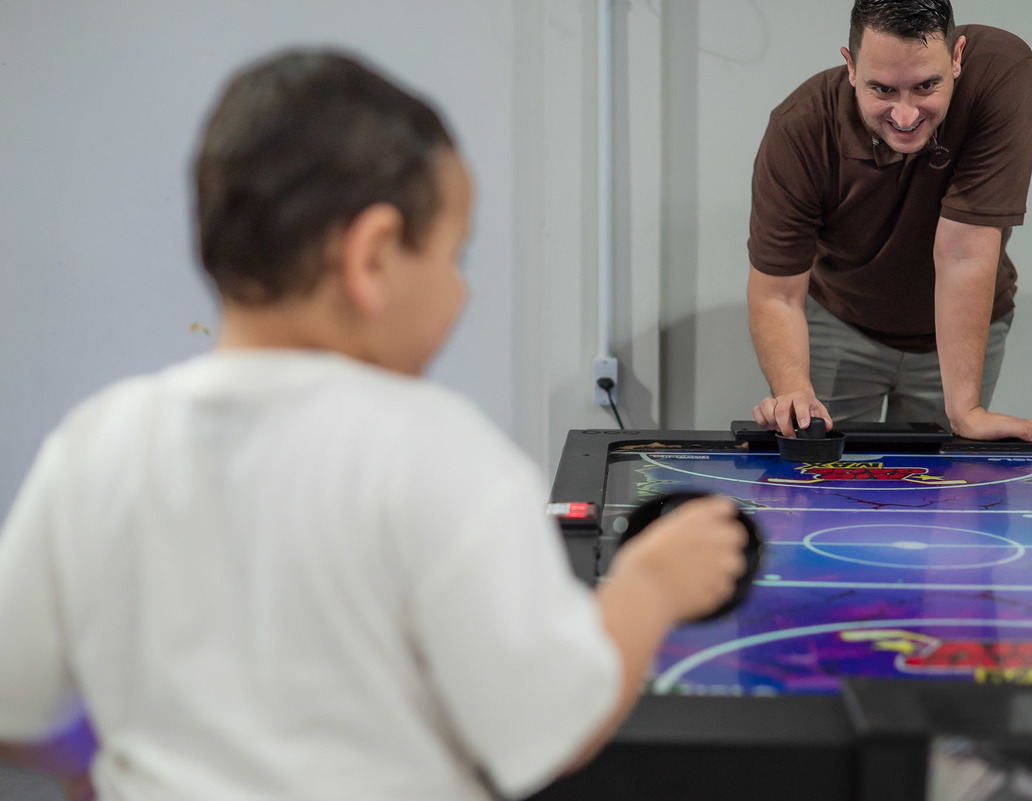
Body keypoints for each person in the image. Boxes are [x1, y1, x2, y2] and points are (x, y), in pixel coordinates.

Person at [0, 50, 748, 801]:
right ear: (374, 257)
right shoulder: (438, 454)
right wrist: (650, 585)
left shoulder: (97, 443)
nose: (460, 290)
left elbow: (18, 710)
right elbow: (556, 720)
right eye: (456, 256)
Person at [747, 0, 1032, 444]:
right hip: (841, 322)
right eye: (882, 89)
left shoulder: (1001, 73)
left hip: (959, 331)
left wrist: (966, 411)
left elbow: (964, 252)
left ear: (957, 57)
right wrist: (795, 390)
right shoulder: (800, 130)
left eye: (926, 86)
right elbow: (778, 293)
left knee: (944, 479)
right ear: (851, 67)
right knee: (821, 468)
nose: (905, 116)